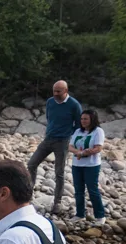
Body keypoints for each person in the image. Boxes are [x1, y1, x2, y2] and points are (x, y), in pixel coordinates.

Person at [27, 80, 82, 214]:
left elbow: (79, 124)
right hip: (48, 139)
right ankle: (27, 195)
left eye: (59, 91)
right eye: (54, 91)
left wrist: (69, 136)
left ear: (66, 91)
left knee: (59, 172)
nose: (56, 94)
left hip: (62, 142)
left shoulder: (74, 105)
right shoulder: (50, 102)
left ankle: (57, 202)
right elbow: (49, 117)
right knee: (32, 164)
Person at [68, 109, 106, 226]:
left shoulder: (98, 131)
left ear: (92, 120)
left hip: (91, 165)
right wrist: (79, 153)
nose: (83, 121)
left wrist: (86, 152)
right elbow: (70, 146)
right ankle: (79, 214)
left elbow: (98, 148)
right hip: (77, 165)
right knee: (78, 191)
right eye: (82, 119)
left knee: (92, 190)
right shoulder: (78, 131)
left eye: (86, 119)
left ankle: (100, 216)